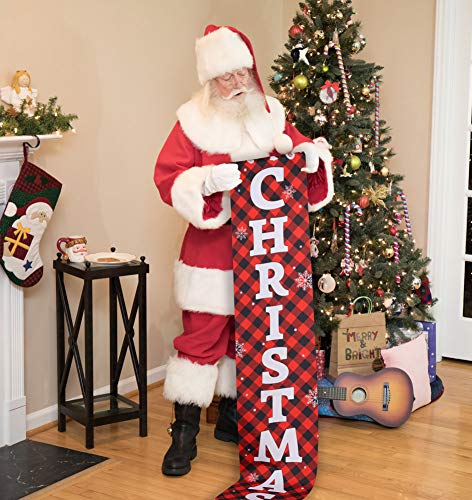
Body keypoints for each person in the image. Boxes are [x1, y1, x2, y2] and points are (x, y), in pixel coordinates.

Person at [154, 24, 334, 477]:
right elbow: (167, 179)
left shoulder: (270, 112)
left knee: (250, 335)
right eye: (226, 77)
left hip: (266, 251)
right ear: (209, 80)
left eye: (242, 74)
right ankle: (183, 434)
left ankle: (232, 418)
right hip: (212, 254)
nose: (237, 84)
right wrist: (205, 182)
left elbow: (298, 148)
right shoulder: (191, 122)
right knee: (201, 339)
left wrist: (311, 155)